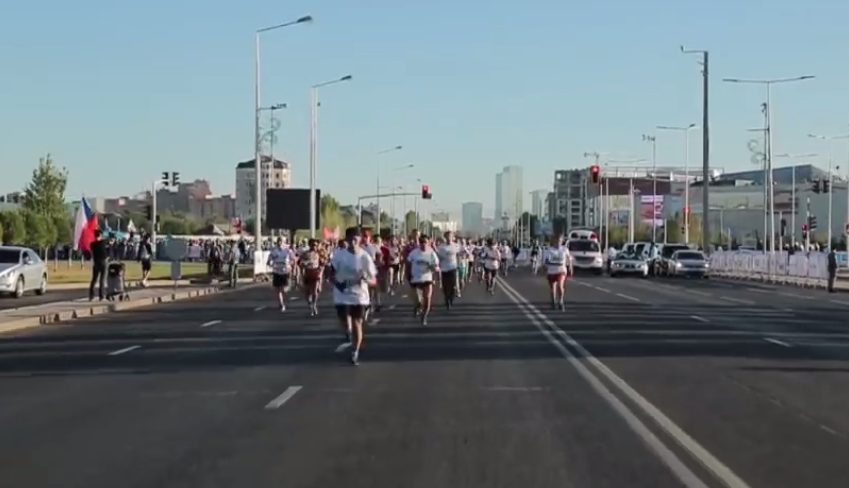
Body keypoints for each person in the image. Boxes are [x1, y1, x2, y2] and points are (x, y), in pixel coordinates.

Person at [329, 227, 377, 365]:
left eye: (355, 239)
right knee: (344, 320)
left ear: (360, 239)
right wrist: (337, 284)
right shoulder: (339, 255)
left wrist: (365, 279)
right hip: (342, 294)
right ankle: (347, 330)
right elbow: (330, 274)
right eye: (350, 239)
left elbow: (373, 280)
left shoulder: (365, 257)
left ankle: (355, 351)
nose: (352, 242)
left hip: (359, 295)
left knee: (357, 323)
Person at [408, 234, 439, 324]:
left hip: (428, 278)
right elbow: (408, 262)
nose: (423, 244)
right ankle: (417, 307)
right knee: (418, 300)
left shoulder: (431, 253)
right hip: (416, 279)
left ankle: (424, 316)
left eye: (425, 242)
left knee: (427, 298)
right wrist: (408, 275)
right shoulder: (414, 252)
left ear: (428, 243)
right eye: (421, 242)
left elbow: (436, 266)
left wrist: (433, 269)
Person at [267, 237, 296, 312]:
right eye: (279, 241)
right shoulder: (274, 250)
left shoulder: (288, 250)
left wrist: (290, 264)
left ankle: (283, 299)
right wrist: (270, 263)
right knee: (278, 289)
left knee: (284, 289)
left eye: (281, 241)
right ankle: (281, 304)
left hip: (285, 271)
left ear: (284, 242)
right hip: (277, 271)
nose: (280, 242)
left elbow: (293, 259)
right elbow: (269, 259)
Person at [544, 235, 571, 310]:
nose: (558, 243)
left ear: (561, 241)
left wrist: (570, 267)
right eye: (556, 241)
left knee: (560, 285)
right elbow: (546, 260)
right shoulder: (550, 250)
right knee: (553, 289)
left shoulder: (564, 249)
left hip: (561, 270)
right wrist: (545, 267)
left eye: (559, 241)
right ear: (554, 242)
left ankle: (561, 301)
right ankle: (553, 302)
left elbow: (569, 258)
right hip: (552, 271)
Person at [299, 239, 324, 315]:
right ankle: (310, 303)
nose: (314, 246)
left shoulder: (319, 253)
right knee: (307, 293)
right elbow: (300, 264)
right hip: (307, 273)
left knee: (315, 292)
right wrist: (301, 274)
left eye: (316, 245)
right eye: (313, 245)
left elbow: (322, 265)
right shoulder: (305, 254)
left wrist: (321, 276)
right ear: (309, 245)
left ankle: (314, 305)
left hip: (316, 273)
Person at [436, 231, 460, 309]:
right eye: (447, 237)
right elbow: (438, 257)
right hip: (444, 269)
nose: (449, 238)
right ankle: (447, 299)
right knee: (445, 286)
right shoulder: (441, 247)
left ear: (453, 237)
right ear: (445, 237)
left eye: (450, 236)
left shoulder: (456, 246)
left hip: (453, 268)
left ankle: (451, 298)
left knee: (453, 286)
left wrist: (459, 264)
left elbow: (459, 255)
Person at [89, 229, 109, 301]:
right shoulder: (103, 242)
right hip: (103, 262)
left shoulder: (92, 244)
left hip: (96, 263)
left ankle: (91, 295)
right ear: (100, 235)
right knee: (102, 280)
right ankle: (101, 296)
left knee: (94, 279)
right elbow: (108, 242)